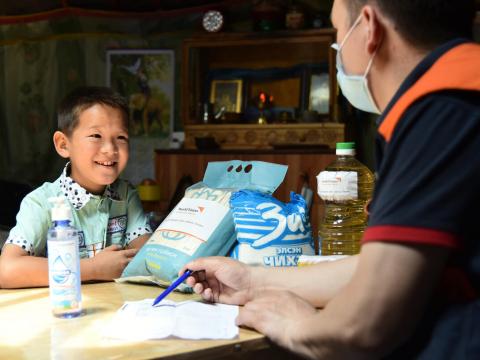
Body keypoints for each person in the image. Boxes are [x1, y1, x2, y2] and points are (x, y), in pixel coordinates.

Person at [182, 0, 480, 358]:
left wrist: (296, 326)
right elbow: (385, 268)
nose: (338, 51)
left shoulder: (442, 108)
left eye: (339, 33)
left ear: (369, 27)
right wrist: (253, 279)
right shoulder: (457, 96)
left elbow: (364, 323)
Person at [0, 86, 152, 288]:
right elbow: (6, 270)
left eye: (121, 138)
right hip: (63, 311)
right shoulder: (41, 203)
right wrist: (93, 268)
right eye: (96, 136)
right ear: (63, 144)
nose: (110, 149)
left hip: (116, 310)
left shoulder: (126, 195)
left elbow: (150, 258)